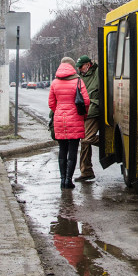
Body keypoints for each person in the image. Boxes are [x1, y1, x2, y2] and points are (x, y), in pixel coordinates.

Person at [48, 56, 89, 190]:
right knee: (72, 150)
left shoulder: (55, 82)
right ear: (72, 67)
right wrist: (83, 115)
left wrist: (59, 111)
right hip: (75, 118)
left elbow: (51, 103)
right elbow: (86, 101)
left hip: (60, 119)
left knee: (62, 149)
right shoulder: (78, 81)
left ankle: (61, 180)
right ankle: (68, 180)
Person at [75, 55, 100, 182]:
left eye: (81, 67)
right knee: (84, 142)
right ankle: (86, 171)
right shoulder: (81, 78)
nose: (79, 69)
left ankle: (109, 144)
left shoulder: (98, 72)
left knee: (86, 139)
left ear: (88, 65)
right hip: (85, 111)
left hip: (94, 110)